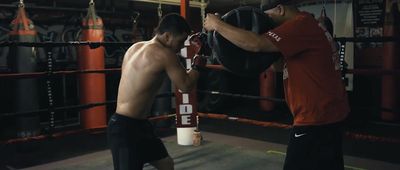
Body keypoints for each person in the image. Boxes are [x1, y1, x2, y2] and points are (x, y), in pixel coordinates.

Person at [203, 0, 350, 170]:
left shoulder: (299, 25)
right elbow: (275, 64)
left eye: (268, 16)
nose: (266, 22)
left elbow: (256, 44)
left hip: (315, 119)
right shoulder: (309, 25)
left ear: (280, 9)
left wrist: (218, 24)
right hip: (329, 115)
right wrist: (228, 28)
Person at [108, 13, 205, 170]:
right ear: (167, 36)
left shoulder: (135, 48)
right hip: (126, 129)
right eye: (180, 41)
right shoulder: (165, 54)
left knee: (166, 164)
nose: (181, 47)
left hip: (138, 125)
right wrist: (198, 63)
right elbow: (186, 86)